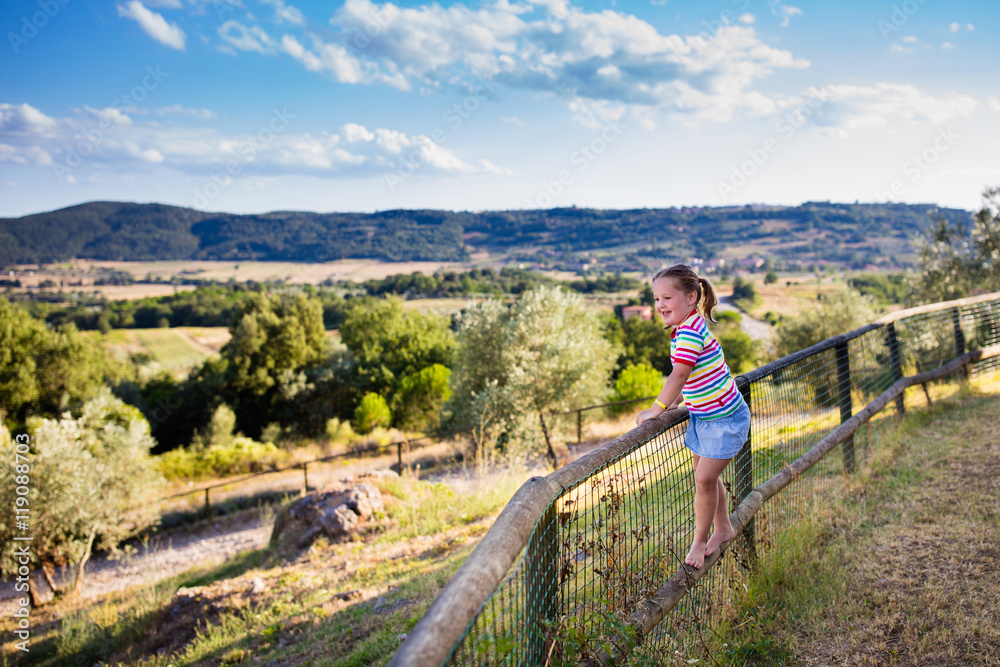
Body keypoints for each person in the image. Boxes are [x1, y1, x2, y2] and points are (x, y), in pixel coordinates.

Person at [635, 264, 751, 569]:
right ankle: (724, 527)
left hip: (725, 421)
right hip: (705, 417)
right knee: (706, 478)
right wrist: (676, 401)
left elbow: (680, 373)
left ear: (691, 297)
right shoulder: (684, 329)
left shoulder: (689, 331)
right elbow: (694, 377)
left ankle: (699, 542)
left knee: (704, 479)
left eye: (667, 298)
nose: (660, 305)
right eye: (657, 299)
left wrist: (657, 407)